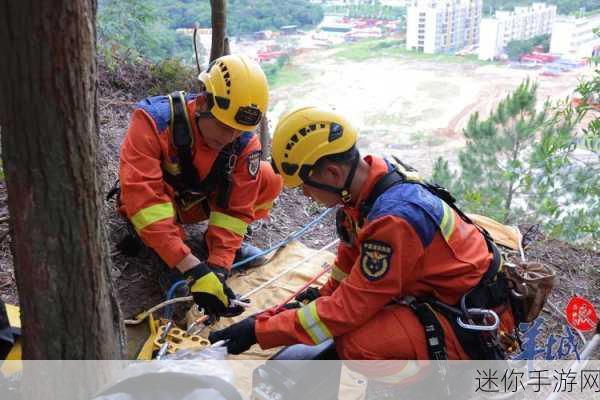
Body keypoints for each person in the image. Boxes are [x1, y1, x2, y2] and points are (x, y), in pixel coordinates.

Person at [209, 106, 518, 365]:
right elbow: (339, 287)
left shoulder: (392, 221)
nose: (305, 194)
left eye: (304, 185)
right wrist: (274, 316)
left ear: (331, 173)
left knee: (357, 345)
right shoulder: (362, 198)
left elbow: (347, 310)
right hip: (436, 295)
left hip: (468, 322)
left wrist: (258, 333)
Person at [118, 55, 283, 318]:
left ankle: (214, 245)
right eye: (224, 126)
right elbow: (144, 201)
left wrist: (219, 267)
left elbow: (235, 211)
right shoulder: (153, 123)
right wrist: (192, 268)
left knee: (268, 177)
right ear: (204, 102)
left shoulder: (243, 143)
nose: (230, 138)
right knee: (149, 212)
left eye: (238, 131)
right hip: (156, 205)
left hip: (194, 201)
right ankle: (169, 258)